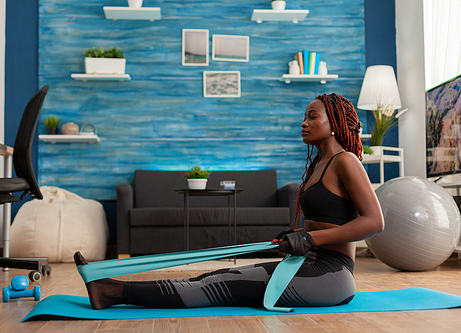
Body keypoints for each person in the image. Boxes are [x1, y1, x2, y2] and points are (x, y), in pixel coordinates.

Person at [74, 93, 384, 310]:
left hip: (332, 276)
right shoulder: (318, 165)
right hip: (307, 264)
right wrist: (292, 241)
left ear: (335, 123)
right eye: (303, 117)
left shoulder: (346, 161)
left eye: (312, 116)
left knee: (218, 287)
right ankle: (110, 290)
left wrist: (308, 237)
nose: (303, 122)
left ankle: (113, 292)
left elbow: (374, 222)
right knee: (216, 276)